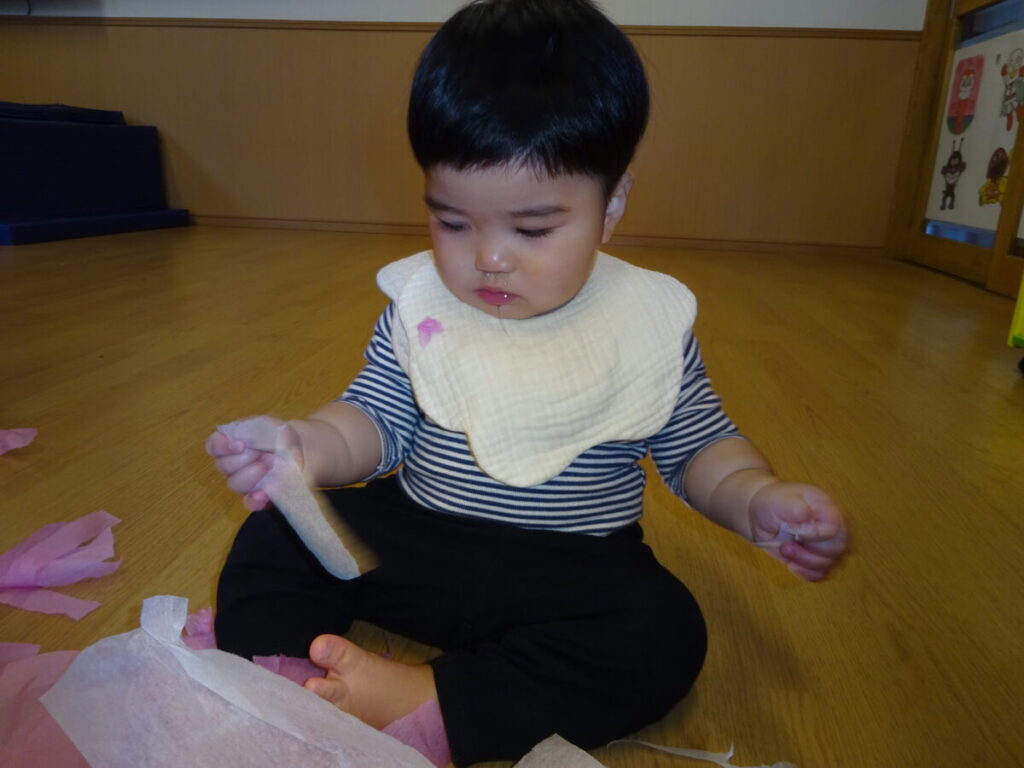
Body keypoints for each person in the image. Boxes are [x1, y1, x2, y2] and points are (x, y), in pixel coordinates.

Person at [206, 1, 849, 765]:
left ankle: (435, 702)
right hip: (421, 538)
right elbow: (372, 419)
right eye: (453, 222)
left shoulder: (644, 322)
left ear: (611, 206)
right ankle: (291, 682)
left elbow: (701, 448)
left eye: (533, 229)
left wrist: (756, 498)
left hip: (570, 568)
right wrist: (302, 446)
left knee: (664, 632)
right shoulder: (423, 308)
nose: (489, 258)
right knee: (277, 533)